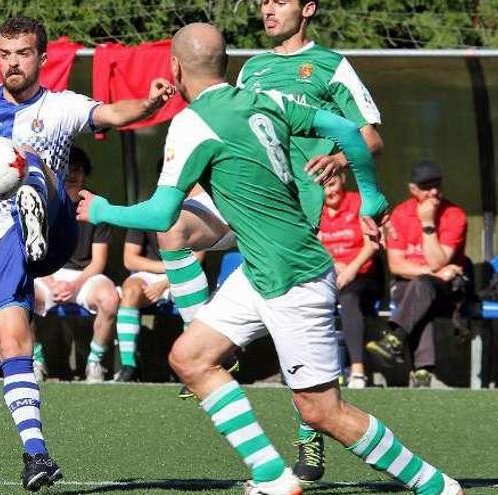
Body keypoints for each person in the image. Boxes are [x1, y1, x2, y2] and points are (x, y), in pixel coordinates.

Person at [78, 23, 462, 495]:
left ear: (175, 68)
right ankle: (272, 476)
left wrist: (100, 209)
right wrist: (371, 195)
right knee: (191, 357)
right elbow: (345, 128)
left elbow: (160, 213)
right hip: (262, 269)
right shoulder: (267, 99)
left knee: (322, 412)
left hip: (292, 277)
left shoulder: (193, 122)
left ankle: (436, 485)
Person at [0, 16, 174, 491]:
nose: (12, 63)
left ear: (41, 58)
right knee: (13, 343)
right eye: (5, 54)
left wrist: (151, 103)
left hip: (54, 231)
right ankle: (36, 455)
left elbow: (113, 114)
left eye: (23, 54)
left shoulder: (62, 107)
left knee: (30, 159)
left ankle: (34, 193)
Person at [154, 0, 386, 481]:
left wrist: (340, 162)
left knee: (298, 340)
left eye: (279, 0)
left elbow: (370, 138)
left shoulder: (331, 66)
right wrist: (198, 185)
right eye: (263, 1)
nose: (267, 9)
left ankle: (310, 435)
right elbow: (225, 129)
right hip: (244, 199)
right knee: (171, 225)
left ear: (308, 9)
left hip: (294, 212)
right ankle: (208, 342)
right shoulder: (253, 68)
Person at [366, 160, 469, 388]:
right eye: (426, 186)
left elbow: (437, 260)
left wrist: (428, 223)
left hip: (448, 293)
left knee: (420, 288)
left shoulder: (455, 215)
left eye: (437, 184)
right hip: (416, 288)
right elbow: (396, 266)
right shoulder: (400, 215)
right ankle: (422, 373)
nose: (433, 191)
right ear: (412, 189)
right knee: (418, 290)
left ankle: (394, 339)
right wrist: (432, 272)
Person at [32, 147, 118, 383]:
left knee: (110, 300)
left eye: (77, 169)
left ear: (85, 174)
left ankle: (94, 363)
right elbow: (33, 253)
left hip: (85, 276)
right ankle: (36, 360)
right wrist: (51, 281)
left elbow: (98, 261)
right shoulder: (43, 202)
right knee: (18, 294)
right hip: (47, 274)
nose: (71, 174)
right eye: (67, 168)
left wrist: (74, 285)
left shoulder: (96, 204)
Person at [116, 223, 204, 383]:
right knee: (130, 291)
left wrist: (165, 283)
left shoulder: (195, 213)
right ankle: (128, 366)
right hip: (152, 273)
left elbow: (197, 259)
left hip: (185, 274)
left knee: (190, 297)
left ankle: (192, 368)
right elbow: (130, 260)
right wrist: (167, 268)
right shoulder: (145, 213)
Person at [317, 172, 380, 389]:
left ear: (343, 179)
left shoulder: (359, 203)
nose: (329, 191)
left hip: (361, 275)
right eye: (323, 186)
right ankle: (314, 370)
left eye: (332, 184)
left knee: (349, 299)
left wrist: (350, 269)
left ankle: (357, 371)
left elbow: (371, 244)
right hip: (328, 273)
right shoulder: (314, 209)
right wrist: (332, 263)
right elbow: (311, 245)